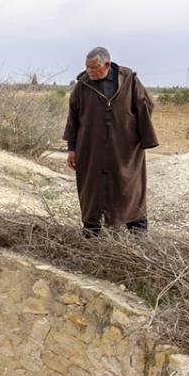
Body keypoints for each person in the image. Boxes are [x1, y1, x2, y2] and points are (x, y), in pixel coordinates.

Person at [62, 47, 159, 235]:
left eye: (94, 68)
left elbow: (145, 107)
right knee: (92, 191)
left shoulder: (128, 80)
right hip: (91, 150)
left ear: (106, 64)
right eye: (87, 67)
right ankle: (91, 234)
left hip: (124, 150)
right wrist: (72, 149)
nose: (90, 71)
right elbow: (72, 119)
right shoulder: (82, 85)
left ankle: (138, 235)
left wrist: (135, 134)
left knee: (129, 188)